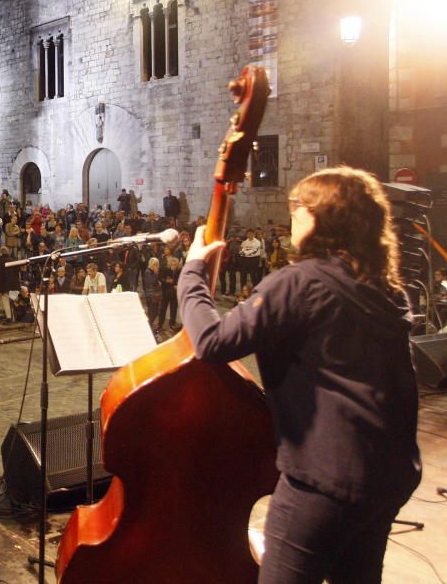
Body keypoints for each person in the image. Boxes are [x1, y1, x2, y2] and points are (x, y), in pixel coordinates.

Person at [177, 167, 420, 584]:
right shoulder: (386, 287)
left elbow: (214, 341)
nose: (292, 216)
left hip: (327, 478)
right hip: (391, 473)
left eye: (298, 207)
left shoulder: (299, 283)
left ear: (321, 217)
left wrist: (193, 271)